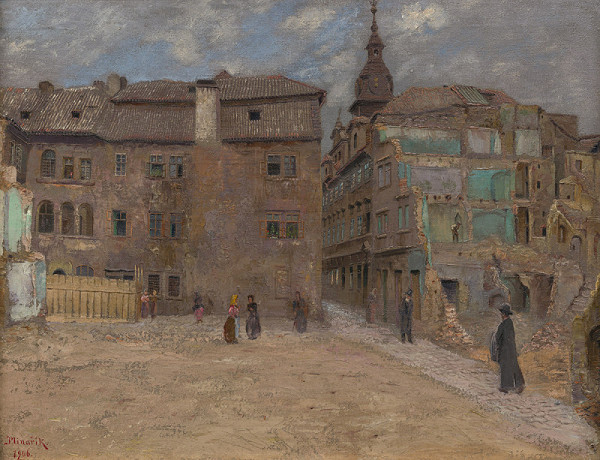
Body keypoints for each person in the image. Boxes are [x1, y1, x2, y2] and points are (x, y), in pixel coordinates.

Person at [495, 304, 525, 394]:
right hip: (511, 348)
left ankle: (506, 386)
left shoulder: (504, 324)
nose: (501, 315)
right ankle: (519, 384)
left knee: (505, 366)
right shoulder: (510, 323)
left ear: (504, 314)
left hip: (505, 349)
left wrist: (499, 346)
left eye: (501, 313)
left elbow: (498, 337)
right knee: (513, 365)